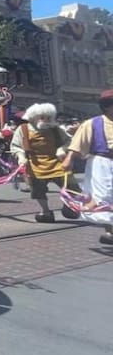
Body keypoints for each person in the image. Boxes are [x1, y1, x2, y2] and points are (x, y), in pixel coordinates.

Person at [11, 102, 78, 223]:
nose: (46, 120)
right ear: (33, 117)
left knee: (72, 186)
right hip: (35, 164)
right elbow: (16, 146)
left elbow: (69, 141)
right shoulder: (23, 129)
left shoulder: (56, 129)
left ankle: (68, 206)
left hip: (57, 163)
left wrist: (62, 149)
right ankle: (45, 212)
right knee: (37, 189)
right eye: (43, 117)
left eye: (49, 117)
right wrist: (21, 157)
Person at [64, 90, 113, 245]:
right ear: (106, 107)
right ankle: (110, 230)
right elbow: (77, 143)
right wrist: (69, 159)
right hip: (102, 163)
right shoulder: (92, 123)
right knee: (103, 196)